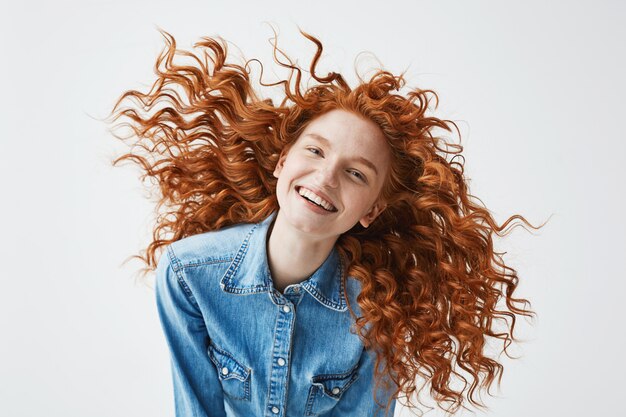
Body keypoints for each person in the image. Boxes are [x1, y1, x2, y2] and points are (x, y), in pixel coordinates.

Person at [107, 27, 542, 417]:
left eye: (356, 174)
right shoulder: (187, 275)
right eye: (314, 151)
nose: (325, 178)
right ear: (282, 161)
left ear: (370, 210)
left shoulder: (379, 312)